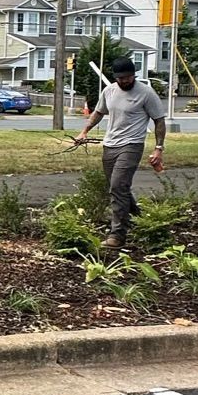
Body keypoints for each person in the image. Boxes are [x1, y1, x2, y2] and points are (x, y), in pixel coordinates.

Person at [73, 56, 166, 251]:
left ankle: (117, 234)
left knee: (117, 186)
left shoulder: (146, 93)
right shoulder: (109, 91)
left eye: (128, 77)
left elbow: (159, 120)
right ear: (115, 77)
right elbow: (98, 112)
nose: (125, 81)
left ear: (134, 75)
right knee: (117, 187)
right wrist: (84, 131)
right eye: (121, 78)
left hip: (132, 145)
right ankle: (140, 221)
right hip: (110, 145)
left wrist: (158, 148)